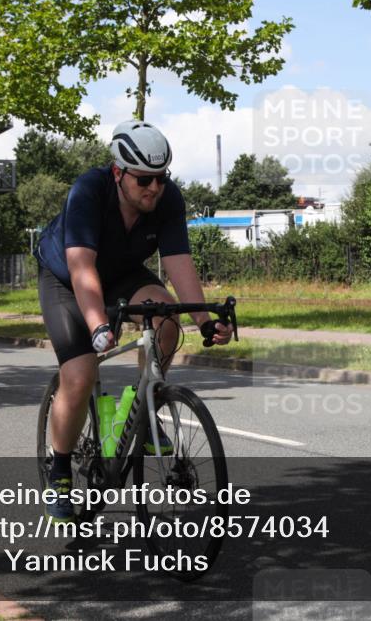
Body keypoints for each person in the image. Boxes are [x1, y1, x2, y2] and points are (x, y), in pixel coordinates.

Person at [34, 119, 233, 522]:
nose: (154, 188)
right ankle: (59, 468)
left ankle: (142, 410)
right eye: (144, 180)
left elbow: (179, 266)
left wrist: (204, 321)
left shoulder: (168, 200)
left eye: (160, 178)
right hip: (67, 279)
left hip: (123, 273)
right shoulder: (88, 191)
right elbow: (82, 269)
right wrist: (98, 326)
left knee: (165, 320)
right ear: (119, 172)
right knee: (80, 373)